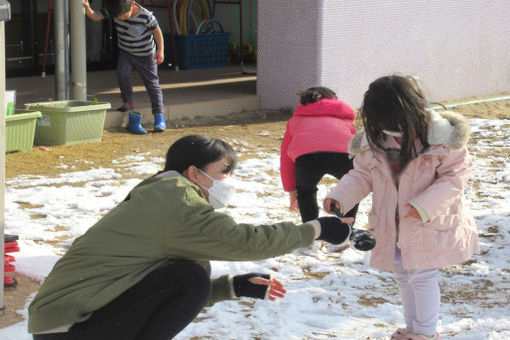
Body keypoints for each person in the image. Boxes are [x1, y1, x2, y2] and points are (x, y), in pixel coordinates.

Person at [28, 135, 354, 340]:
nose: (229, 180)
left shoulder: (161, 196)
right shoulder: (177, 200)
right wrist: (316, 229)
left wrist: (230, 288)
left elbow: (150, 288)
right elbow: (244, 242)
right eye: (224, 171)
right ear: (194, 173)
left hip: (65, 325)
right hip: (72, 327)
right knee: (191, 277)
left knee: (191, 277)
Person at [323, 75, 479, 340]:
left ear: (415, 109)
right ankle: (413, 328)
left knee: (422, 275)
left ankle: (427, 333)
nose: (391, 126)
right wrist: (341, 196)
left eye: (396, 119)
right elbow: (361, 175)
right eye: (383, 120)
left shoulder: (441, 138)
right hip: (391, 223)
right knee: (403, 275)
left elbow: (455, 177)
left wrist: (424, 206)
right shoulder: (374, 141)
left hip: (426, 221)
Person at [83, 0, 166, 134]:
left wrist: (160, 50)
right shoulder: (114, 10)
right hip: (126, 52)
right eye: (118, 18)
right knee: (122, 73)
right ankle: (128, 101)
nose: (120, 19)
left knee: (152, 84)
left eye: (123, 16)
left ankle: (159, 116)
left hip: (146, 55)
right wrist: (87, 8)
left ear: (133, 5)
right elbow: (95, 16)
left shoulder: (146, 16)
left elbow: (157, 32)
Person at [280, 86, 358, 222]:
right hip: (343, 156)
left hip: (307, 159)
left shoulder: (295, 121)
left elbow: (286, 159)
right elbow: (357, 148)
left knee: (306, 192)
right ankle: (346, 229)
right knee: (352, 189)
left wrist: (292, 192)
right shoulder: (345, 120)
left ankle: (311, 232)